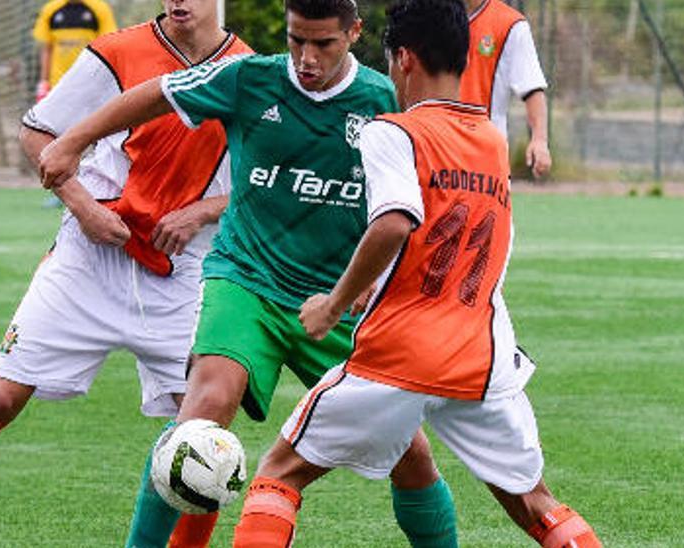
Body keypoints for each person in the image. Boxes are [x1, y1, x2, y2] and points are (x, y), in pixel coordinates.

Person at [38, 0, 461, 546]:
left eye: (323, 44)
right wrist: (70, 141)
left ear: (354, 33)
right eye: (295, 41)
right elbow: (159, 93)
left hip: (336, 298)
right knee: (201, 416)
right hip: (246, 280)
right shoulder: (249, 78)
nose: (306, 58)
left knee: (412, 455)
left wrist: (379, 282)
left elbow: (417, 207)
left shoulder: (386, 102)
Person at [0, 0, 251, 546]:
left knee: (202, 439)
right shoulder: (117, 53)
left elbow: (262, 183)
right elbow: (38, 133)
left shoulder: (250, 73)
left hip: (181, 273)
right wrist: (84, 207)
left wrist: (202, 211)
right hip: (86, 263)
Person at [230, 0, 601, 546]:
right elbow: (459, 234)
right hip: (482, 358)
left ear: (402, 58)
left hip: (401, 355)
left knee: (278, 474)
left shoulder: (392, 132)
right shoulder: (492, 141)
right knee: (535, 503)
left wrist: (334, 303)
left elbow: (394, 224)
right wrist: (378, 284)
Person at [460, 0, 551, 179]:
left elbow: (531, 87)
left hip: (487, 159)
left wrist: (539, 140)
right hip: (439, 150)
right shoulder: (431, 15)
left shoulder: (511, 24)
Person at [32, 0, 118, 101]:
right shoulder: (50, 9)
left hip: (90, 83)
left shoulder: (100, 8)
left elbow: (107, 45)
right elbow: (47, 48)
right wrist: (44, 82)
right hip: (58, 84)